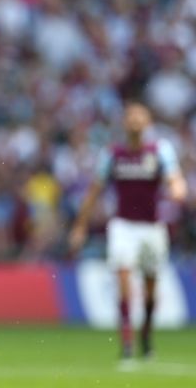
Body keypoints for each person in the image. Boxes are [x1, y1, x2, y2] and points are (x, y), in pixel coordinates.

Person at [69, 101, 187, 362]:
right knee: (123, 276)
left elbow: (174, 178)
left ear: (147, 123)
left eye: (139, 117)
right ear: (124, 123)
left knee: (150, 289)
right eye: (130, 116)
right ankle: (127, 343)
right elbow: (95, 190)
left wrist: (178, 188)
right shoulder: (113, 154)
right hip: (123, 226)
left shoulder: (160, 151)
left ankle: (145, 334)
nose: (134, 121)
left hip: (152, 228)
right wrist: (80, 225)